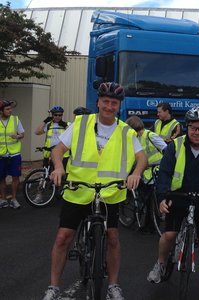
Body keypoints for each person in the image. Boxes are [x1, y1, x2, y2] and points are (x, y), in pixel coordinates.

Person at [42, 82, 148, 300]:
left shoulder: (126, 131)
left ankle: (113, 286)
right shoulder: (80, 123)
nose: (109, 106)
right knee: (63, 237)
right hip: (79, 190)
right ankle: (53, 287)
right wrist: (59, 167)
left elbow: (142, 158)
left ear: (119, 106)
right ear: (98, 102)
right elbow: (58, 150)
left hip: (110, 193)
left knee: (113, 237)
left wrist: (136, 173)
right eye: (106, 101)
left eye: (114, 103)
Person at [147, 106, 199, 300]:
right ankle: (160, 264)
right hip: (178, 197)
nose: (198, 132)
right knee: (169, 234)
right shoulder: (175, 147)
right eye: (194, 128)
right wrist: (162, 199)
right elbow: (165, 175)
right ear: (187, 127)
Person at [126, 115, 167, 233]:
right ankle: (148, 222)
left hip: (157, 170)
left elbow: (166, 150)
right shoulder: (135, 138)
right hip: (146, 173)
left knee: (150, 199)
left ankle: (151, 224)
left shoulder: (150, 135)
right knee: (146, 198)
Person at [0, 100, 24, 209]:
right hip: (1, 155)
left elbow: (22, 134)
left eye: (11, 108)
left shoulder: (15, 119)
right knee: (1, 178)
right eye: (7, 109)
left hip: (14, 154)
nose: (10, 110)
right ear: (1, 111)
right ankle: (3, 199)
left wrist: (17, 136)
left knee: (15, 177)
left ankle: (14, 199)